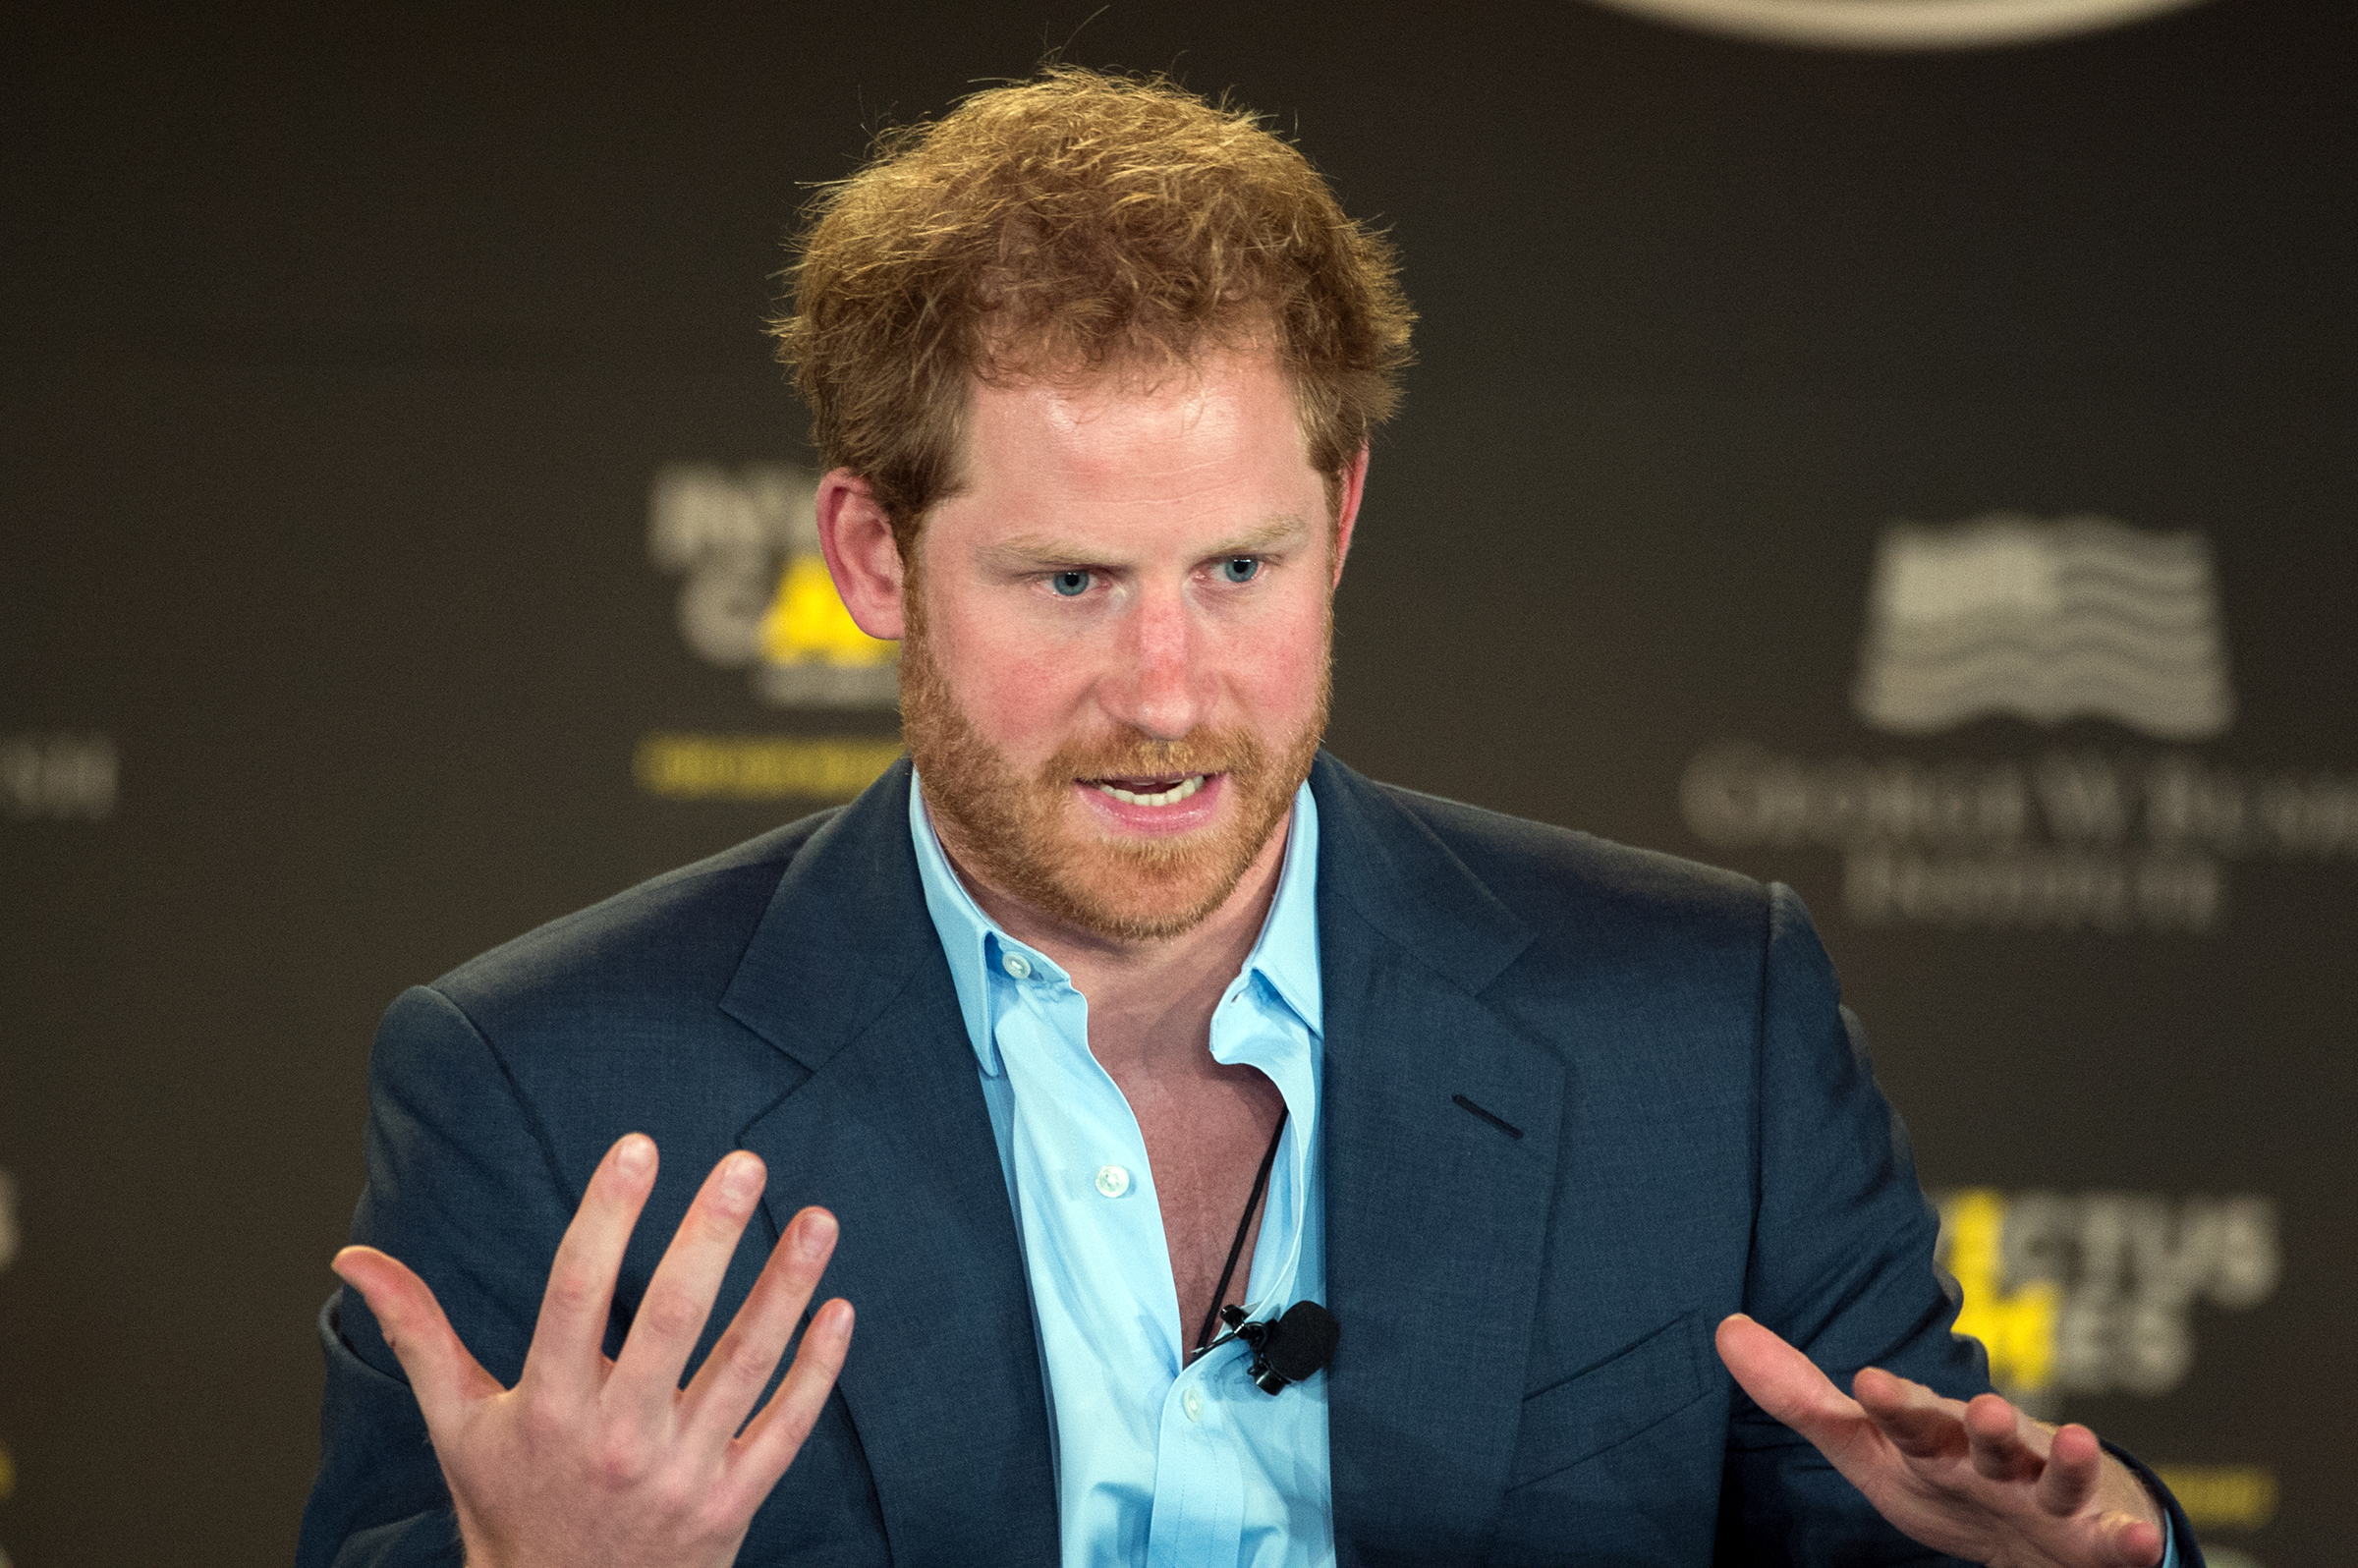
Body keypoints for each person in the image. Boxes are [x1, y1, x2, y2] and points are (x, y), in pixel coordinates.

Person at [300, 68, 2200, 1568]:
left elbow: (1937, 1525)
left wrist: (2098, 1555)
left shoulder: (1706, 1027)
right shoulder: (545, 1089)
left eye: (1236, 568)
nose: (1167, 691)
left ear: (1340, 520)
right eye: (1069, 582)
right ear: (873, 557)